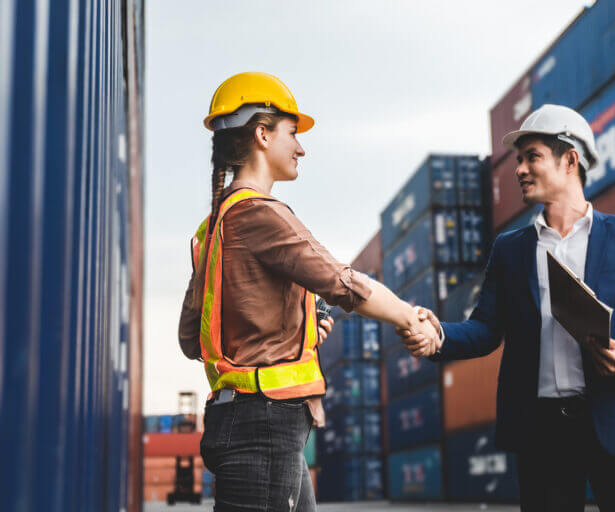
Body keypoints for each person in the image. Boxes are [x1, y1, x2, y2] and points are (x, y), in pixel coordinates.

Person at [178, 72, 438, 512]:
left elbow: (192, 340)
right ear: (262, 134)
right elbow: (344, 283)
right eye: (292, 133)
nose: (301, 148)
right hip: (264, 423)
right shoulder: (260, 214)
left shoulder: (211, 229)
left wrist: (298, 327)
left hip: (242, 419)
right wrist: (411, 318)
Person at [399, 104, 615, 512]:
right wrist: (437, 334)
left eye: (532, 157)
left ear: (571, 160)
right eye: (518, 160)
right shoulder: (510, 249)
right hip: (542, 433)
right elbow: (485, 329)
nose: (519, 170)